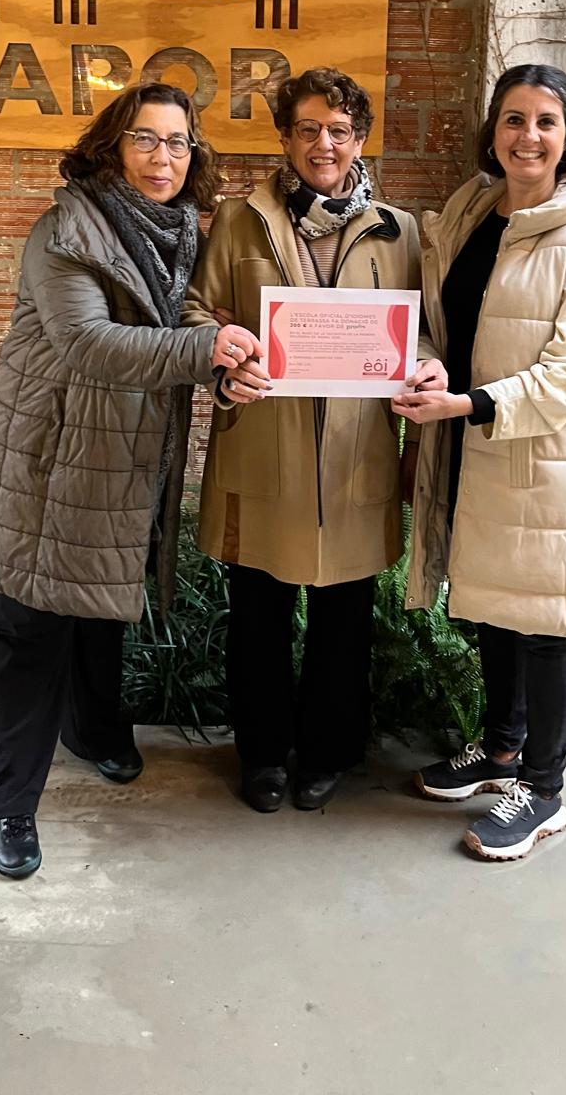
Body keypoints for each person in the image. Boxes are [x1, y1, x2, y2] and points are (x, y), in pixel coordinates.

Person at [0, 83, 261, 879]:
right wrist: (206, 355)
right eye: (145, 139)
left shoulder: (182, 234)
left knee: (100, 604)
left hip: (126, 455)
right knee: (32, 628)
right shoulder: (66, 231)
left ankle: (91, 730)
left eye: (178, 142)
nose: (164, 157)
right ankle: (11, 806)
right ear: (110, 147)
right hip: (48, 457)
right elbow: (88, 342)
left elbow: (188, 331)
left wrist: (225, 371)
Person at [393, 63, 566, 862]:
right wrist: (431, 365)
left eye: (545, 122)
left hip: (548, 458)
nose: (528, 136)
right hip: (477, 437)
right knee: (494, 605)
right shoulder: (473, 214)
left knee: (544, 625)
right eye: (514, 119)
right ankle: (501, 749)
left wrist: (465, 405)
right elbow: (443, 323)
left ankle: (545, 790)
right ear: (492, 130)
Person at [183, 67, 431, 814]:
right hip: (265, 448)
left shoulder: (398, 230)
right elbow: (197, 313)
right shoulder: (240, 220)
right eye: (310, 129)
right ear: (286, 137)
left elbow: (420, 335)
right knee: (257, 618)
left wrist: (423, 367)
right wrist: (225, 363)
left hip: (356, 456)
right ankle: (261, 755)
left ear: (361, 139)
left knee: (343, 624)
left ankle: (327, 754)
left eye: (341, 131)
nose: (326, 144)